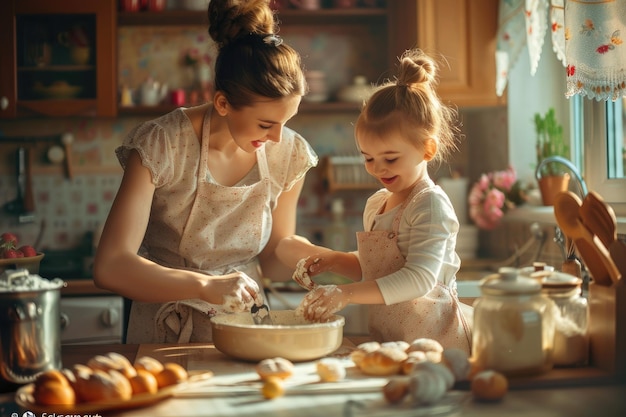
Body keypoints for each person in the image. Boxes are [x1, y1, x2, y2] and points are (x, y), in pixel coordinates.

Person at [93, 0, 317, 344]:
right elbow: (111, 267)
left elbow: (273, 258)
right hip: (164, 330)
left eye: (286, 122)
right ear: (223, 104)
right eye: (266, 124)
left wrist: (321, 260)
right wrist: (205, 286)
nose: (277, 138)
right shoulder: (161, 144)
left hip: (245, 327)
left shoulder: (289, 152)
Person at [277, 49, 472, 353]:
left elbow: (418, 278)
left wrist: (344, 294)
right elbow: (379, 271)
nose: (379, 168)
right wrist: (334, 260)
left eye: (390, 158)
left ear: (428, 149)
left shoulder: (430, 204)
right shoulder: (377, 203)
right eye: (368, 158)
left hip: (436, 346)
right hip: (391, 342)